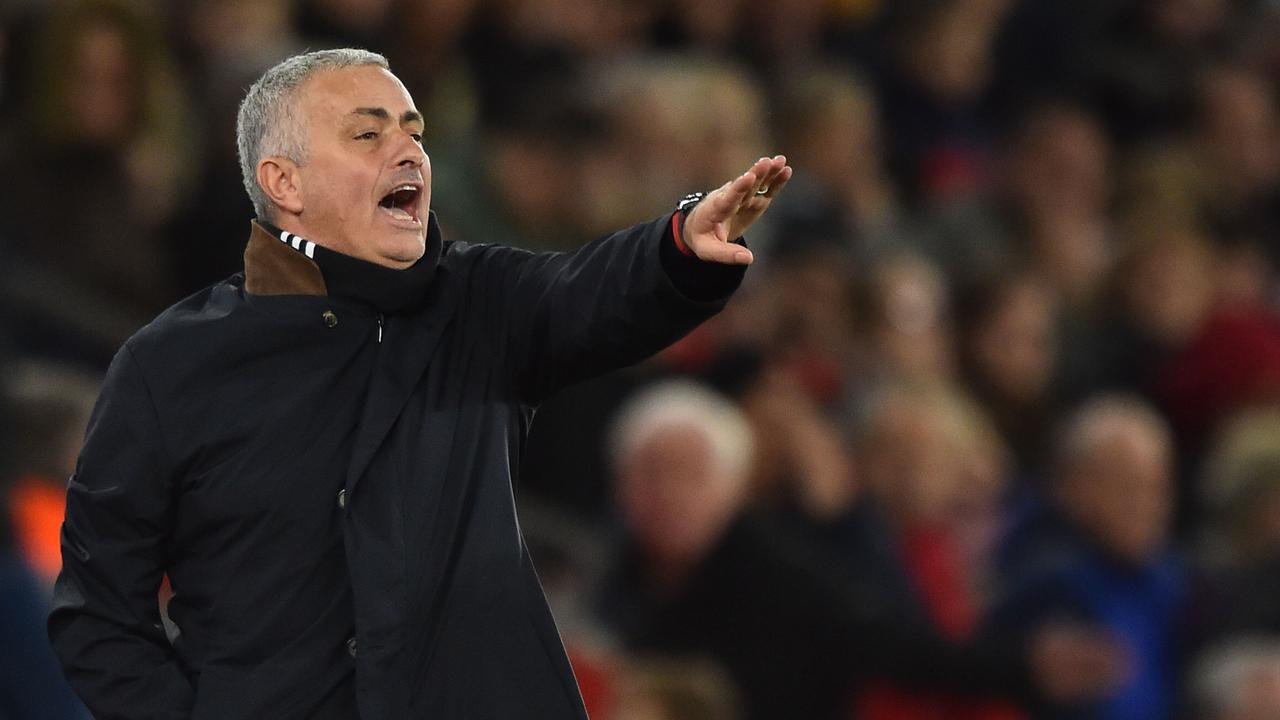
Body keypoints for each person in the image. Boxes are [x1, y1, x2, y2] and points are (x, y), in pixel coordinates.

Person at [46, 48, 792, 720]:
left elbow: (589, 291)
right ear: (284, 181)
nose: (408, 150)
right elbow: (97, 609)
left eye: (414, 130)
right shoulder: (169, 364)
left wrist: (679, 247)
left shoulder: (478, 303)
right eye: (369, 133)